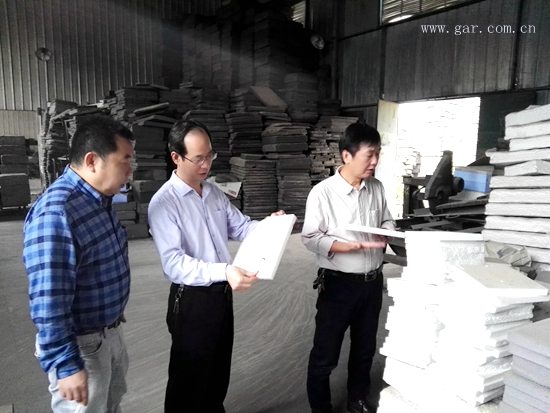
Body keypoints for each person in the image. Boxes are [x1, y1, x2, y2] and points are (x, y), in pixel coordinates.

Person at [148, 119, 284, 413]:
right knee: (188, 383)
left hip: (221, 296)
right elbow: (174, 263)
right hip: (191, 301)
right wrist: (223, 270)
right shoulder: (164, 203)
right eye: (198, 158)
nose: (206, 164)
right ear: (176, 157)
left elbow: (242, 227)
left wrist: (272, 225)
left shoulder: (213, 193)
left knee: (217, 374)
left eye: (210, 155)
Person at [23, 116, 134, 413]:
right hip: (82, 347)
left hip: (109, 333)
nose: (130, 171)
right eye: (124, 161)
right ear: (92, 161)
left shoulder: (98, 200)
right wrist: (65, 364)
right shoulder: (57, 213)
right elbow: (49, 298)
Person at [301, 122, 396, 413]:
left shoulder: (376, 187)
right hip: (338, 286)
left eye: (378, 154)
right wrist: (346, 246)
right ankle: (321, 408)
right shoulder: (323, 193)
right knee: (325, 354)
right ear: (346, 156)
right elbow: (310, 237)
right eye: (369, 155)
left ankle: (357, 399)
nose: (375, 161)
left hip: (372, 284)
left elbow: (387, 219)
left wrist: (386, 232)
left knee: (364, 348)